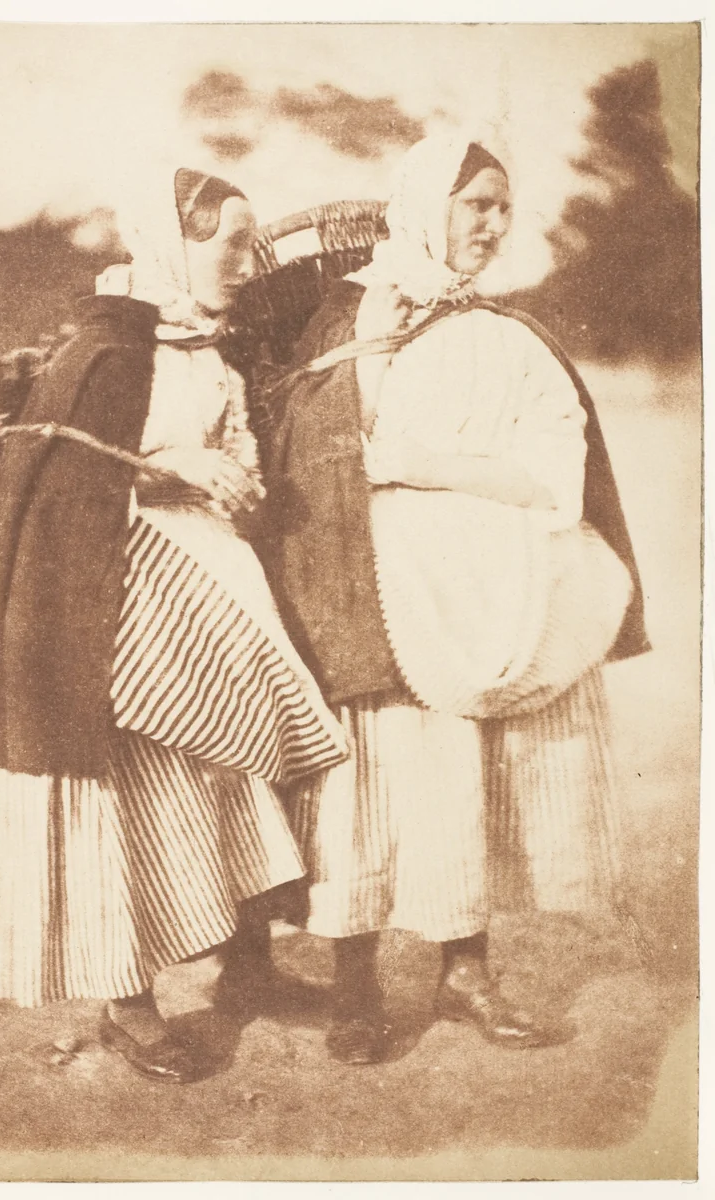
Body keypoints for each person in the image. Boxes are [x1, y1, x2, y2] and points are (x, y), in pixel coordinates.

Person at [246, 132, 650, 1064]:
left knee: (465, 777)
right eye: (478, 205)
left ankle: (463, 970)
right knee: (368, 782)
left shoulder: (509, 337)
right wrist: (372, 376)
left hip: (482, 595)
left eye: (505, 208)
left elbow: (555, 477)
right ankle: (354, 981)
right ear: (429, 205)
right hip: (372, 593)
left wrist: (421, 468)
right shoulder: (350, 320)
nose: (496, 225)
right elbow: (308, 448)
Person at [0, 166, 347, 1084]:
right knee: (120, 800)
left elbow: (237, 450)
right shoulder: (104, 348)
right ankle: (127, 1006)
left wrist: (236, 477)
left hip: (210, 592)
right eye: (228, 244)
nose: (246, 264)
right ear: (172, 242)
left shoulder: (207, 344)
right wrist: (173, 472)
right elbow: (54, 483)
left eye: (252, 244)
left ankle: (246, 967)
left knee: (229, 773)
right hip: (109, 608)